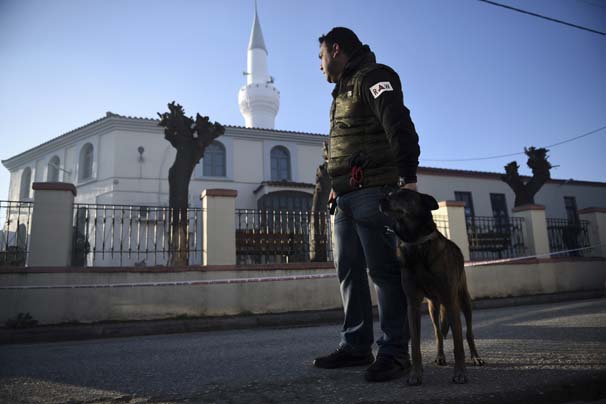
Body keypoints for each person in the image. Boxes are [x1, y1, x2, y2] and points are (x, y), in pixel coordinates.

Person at [312, 27, 421, 382]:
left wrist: (408, 178)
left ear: (337, 49)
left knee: (384, 273)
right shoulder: (341, 91)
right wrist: (334, 184)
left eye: (321, 56)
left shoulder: (373, 77)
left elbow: (399, 123)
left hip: (375, 192)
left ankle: (394, 352)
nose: (320, 64)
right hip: (344, 197)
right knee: (349, 272)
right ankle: (356, 346)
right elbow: (344, 142)